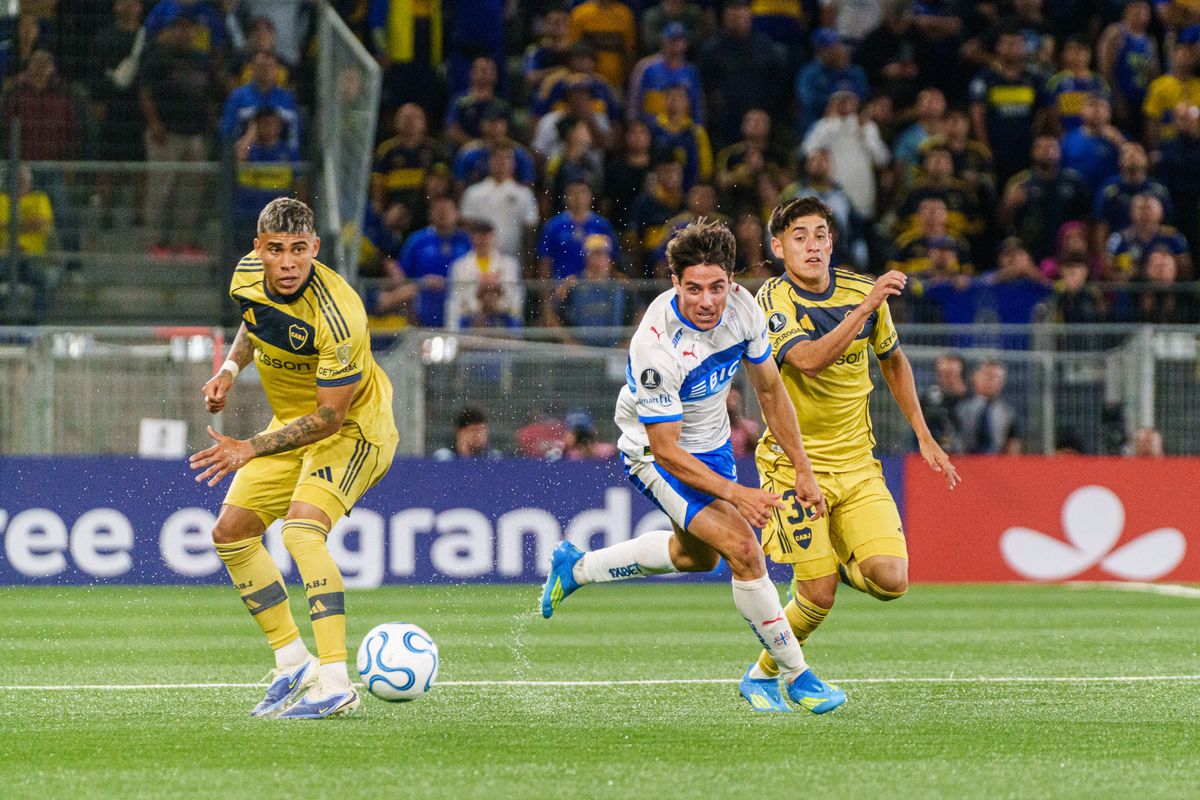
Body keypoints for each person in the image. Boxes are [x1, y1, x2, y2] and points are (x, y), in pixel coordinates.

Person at [539, 219, 845, 716]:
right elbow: (667, 451)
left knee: (697, 557)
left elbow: (770, 389)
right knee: (745, 548)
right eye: (694, 288)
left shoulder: (744, 309)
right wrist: (737, 493)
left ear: (731, 281)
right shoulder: (655, 346)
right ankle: (795, 676)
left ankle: (577, 567)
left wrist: (803, 467)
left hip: (713, 445)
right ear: (675, 284)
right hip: (656, 455)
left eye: (718, 287)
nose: (708, 301)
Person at [189, 198, 399, 719]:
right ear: (258, 248)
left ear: (315, 249)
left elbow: (329, 418)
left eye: (299, 251)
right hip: (290, 426)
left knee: (302, 531)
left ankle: (334, 680)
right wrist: (229, 372)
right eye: (276, 250)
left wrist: (247, 448)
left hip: (353, 429)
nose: (287, 263)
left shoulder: (340, 313)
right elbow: (252, 324)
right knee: (231, 533)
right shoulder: (246, 275)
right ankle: (292, 662)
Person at [746, 196, 959, 689]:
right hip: (792, 467)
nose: (813, 245)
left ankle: (843, 562)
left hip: (858, 465)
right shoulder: (773, 302)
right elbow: (809, 361)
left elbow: (892, 359)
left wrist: (923, 435)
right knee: (816, 597)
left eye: (821, 234)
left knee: (892, 581)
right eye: (799, 237)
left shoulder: (862, 290)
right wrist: (868, 305)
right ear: (778, 247)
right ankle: (761, 676)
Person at [958, 360, 1022, 454]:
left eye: (998, 378)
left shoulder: (1009, 413)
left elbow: (1013, 445)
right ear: (974, 377)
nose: (993, 381)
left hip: (996, 463)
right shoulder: (960, 409)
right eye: (988, 376)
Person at [919, 353, 968, 453]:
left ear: (961, 374)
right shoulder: (928, 399)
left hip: (967, 456)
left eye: (950, 374)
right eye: (941, 374)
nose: (944, 378)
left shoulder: (971, 400)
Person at [433, 407, 502, 460]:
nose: (478, 435)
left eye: (481, 430)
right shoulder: (444, 458)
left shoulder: (495, 458)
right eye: (473, 430)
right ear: (460, 432)